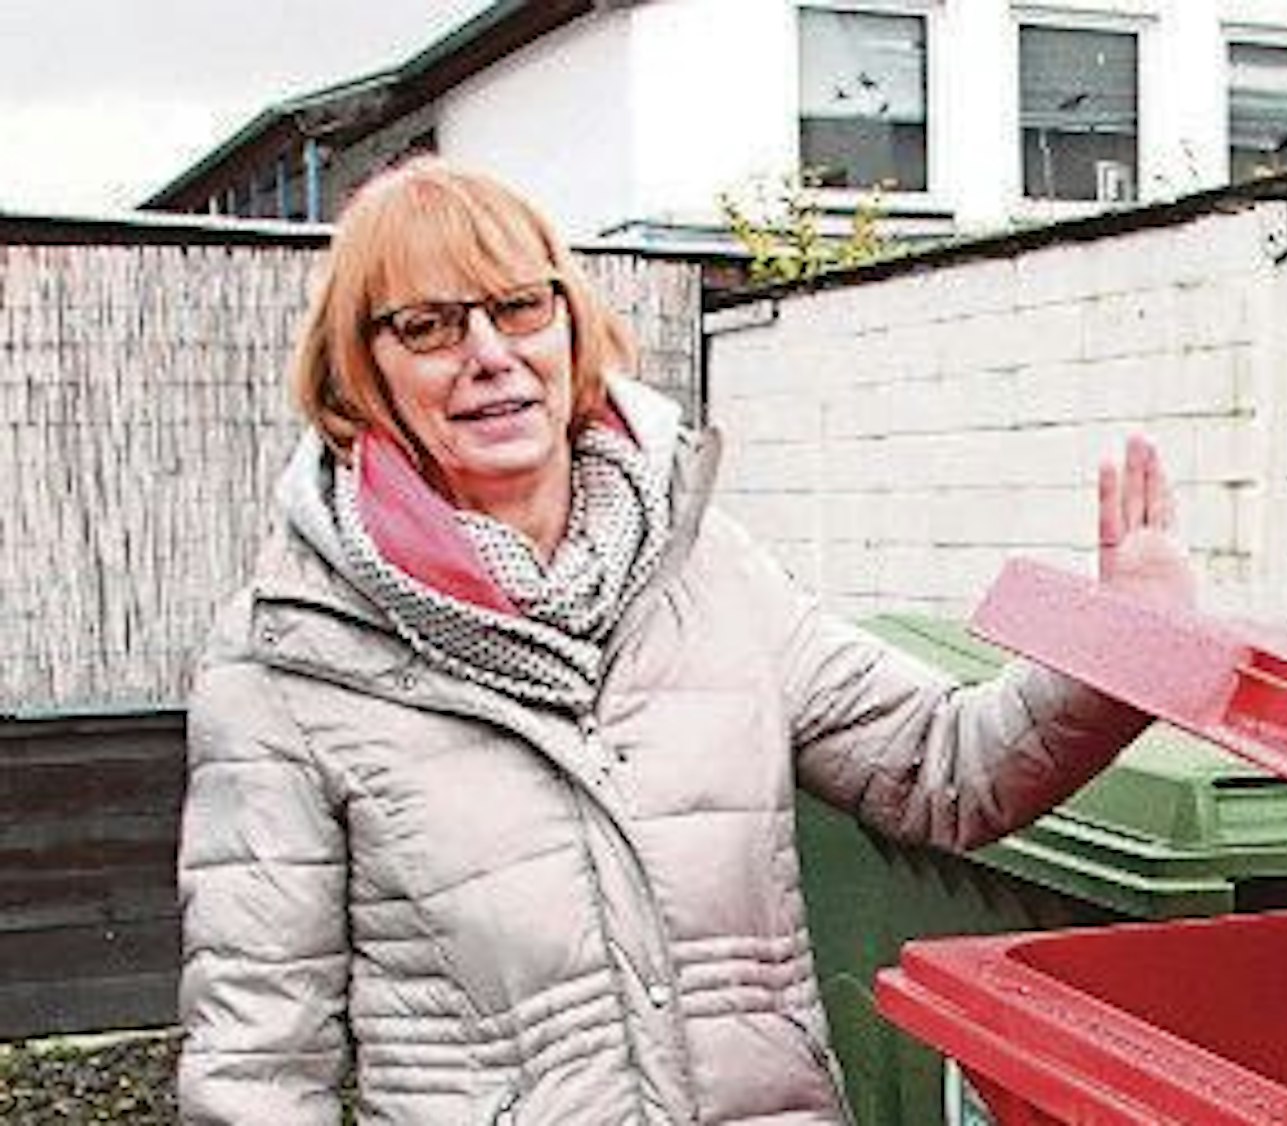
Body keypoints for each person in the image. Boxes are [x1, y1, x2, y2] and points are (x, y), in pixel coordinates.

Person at [175, 157, 1196, 1125]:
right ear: (364, 370)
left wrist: (1119, 648)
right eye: (430, 325)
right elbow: (259, 1059)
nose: (489, 354)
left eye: (521, 307)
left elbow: (945, 767)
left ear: (570, 327)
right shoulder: (290, 658)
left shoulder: (706, 572)